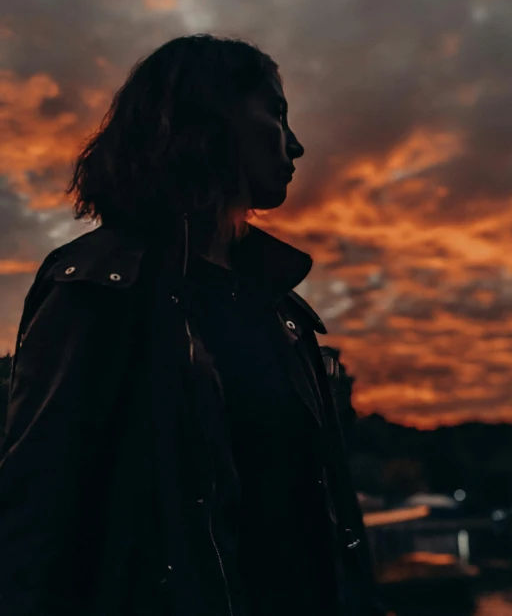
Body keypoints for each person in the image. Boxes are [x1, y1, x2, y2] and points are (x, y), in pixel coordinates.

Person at [0, 34, 384, 616]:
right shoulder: (98, 290)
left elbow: (321, 517)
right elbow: (35, 522)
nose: (297, 144)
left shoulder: (284, 311)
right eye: (276, 113)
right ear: (209, 119)